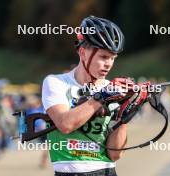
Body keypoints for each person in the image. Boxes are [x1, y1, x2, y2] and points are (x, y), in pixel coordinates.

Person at [42, 16, 147, 176]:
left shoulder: (113, 89)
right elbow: (65, 124)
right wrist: (101, 96)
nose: (109, 64)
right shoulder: (56, 82)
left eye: (113, 58)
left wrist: (124, 115)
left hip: (106, 170)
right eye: (104, 57)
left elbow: (115, 154)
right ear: (83, 53)